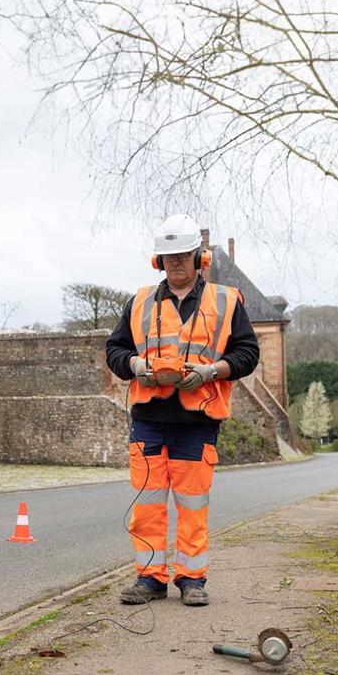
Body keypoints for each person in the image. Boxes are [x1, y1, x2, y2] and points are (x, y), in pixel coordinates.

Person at [104, 213, 259, 607]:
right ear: (158, 261)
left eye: (182, 255)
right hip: (149, 420)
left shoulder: (225, 300)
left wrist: (210, 371)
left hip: (197, 419)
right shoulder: (138, 302)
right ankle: (150, 578)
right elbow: (115, 350)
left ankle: (192, 579)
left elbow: (248, 354)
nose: (175, 262)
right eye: (167, 256)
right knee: (147, 504)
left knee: (192, 504)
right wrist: (137, 367)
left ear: (199, 258)